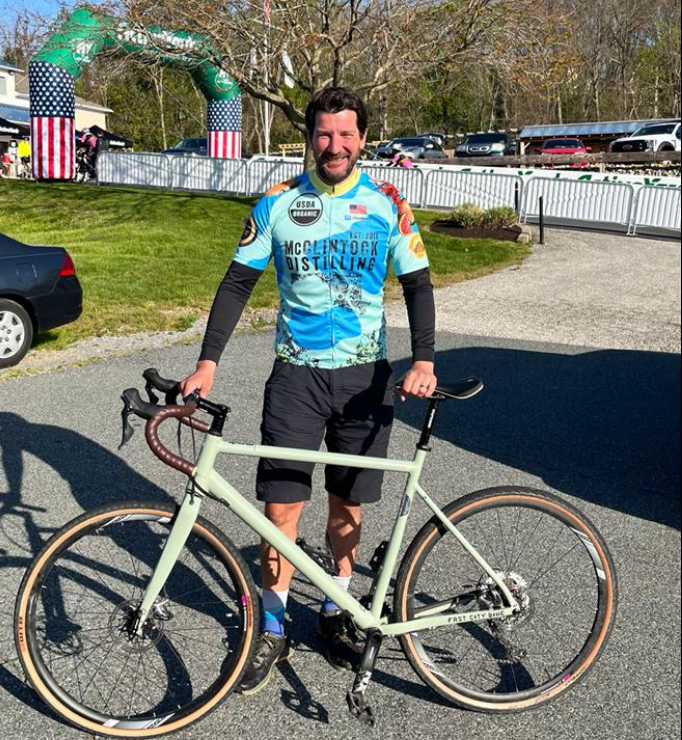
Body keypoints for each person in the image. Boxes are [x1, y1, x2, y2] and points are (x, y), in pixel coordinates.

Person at [180, 86, 436, 695]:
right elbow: (237, 282)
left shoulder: (386, 202)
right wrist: (207, 363)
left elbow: (419, 284)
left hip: (365, 378)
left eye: (346, 135)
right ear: (310, 139)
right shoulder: (276, 203)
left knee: (347, 507)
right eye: (324, 134)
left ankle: (334, 609)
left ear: (363, 140)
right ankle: (272, 626)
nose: (334, 145)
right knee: (281, 509)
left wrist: (423, 358)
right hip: (295, 377)